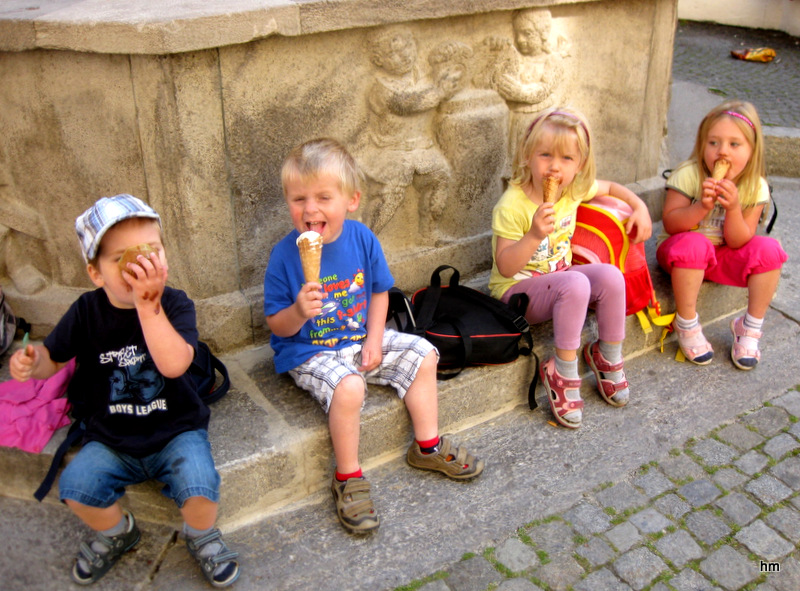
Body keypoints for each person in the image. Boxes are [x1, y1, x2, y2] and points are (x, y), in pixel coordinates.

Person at [8, 195, 240, 587]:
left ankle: (201, 534)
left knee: (201, 487)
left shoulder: (174, 303)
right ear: (96, 274)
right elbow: (55, 358)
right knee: (76, 487)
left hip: (176, 430)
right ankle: (118, 532)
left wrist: (149, 307)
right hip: (111, 438)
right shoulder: (86, 311)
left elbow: (175, 364)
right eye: (122, 259)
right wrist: (33, 364)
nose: (139, 266)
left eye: (151, 252)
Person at [263, 138, 484, 533]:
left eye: (323, 197)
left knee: (425, 354)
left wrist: (374, 338)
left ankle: (428, 446)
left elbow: (380, 292)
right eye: (298, 199)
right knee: (349, 389)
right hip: (308, 350)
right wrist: (298, 310)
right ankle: (348, 478)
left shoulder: (362, 238)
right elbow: (277, 326)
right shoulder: (284, 256)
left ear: (351, 200)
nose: (310, 209)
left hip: (359, 339)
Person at [488, 107, 652, 429]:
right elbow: (506, 267)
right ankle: (561, 371)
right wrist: (535, 234)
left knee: (610, 276)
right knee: (575, 283)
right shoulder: (512, 204)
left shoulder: (573, 190)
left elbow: (611, 189)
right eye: (545, 155)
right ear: (527, 156)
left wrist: (640, 207)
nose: (554, 167)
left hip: (559, 281)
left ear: (580, 166)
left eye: (566, 159)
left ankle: (608, 354)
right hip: (515, 294)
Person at [658, 100, 787, 369]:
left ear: (752, 151)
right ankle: (686, 323)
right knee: (694, 244)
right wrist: (700, 207)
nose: (722, 152)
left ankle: (749, 327)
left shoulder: (755, 186)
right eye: (713, 143)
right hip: (681, 255)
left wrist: (734, 209)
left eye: (734, 144)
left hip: (722, 255)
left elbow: (740, 240)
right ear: (701, 145)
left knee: (770, 250)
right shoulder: (688, 174)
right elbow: (671, 223)